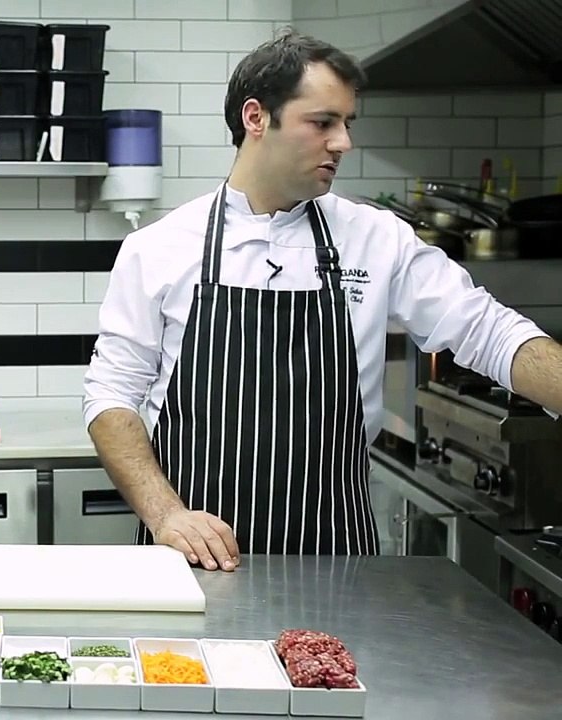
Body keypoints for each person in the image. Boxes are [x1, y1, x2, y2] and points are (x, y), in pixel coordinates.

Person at [83, 28, 562, 570]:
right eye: (323, 123)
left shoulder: (377, 238)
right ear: (256, 118)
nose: (343, 143)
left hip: (335, 559)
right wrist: (166, 515)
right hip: (195, 558)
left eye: (346, 124)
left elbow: (489, 332)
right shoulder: (160, 248)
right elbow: (111, 397)